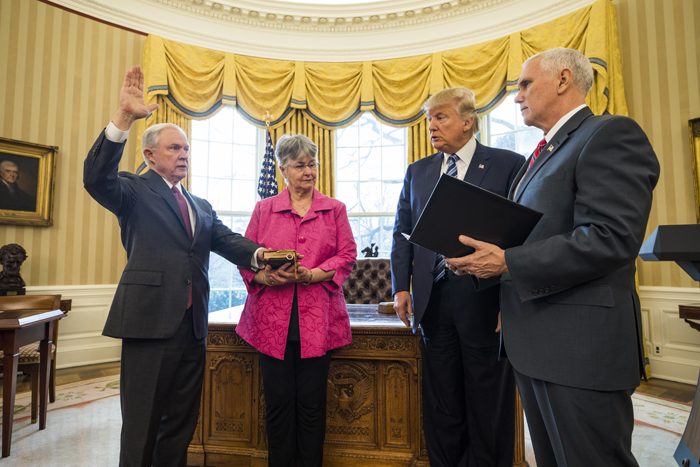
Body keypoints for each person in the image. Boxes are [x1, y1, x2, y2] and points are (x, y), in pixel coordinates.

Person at [445, 48, 660, 467]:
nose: (517, 96)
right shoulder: (540, 154)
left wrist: (508, 262)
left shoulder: (610, 134)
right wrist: (481, 259)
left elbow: (609, 237)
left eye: (525, 84)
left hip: (580, 349)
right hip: (534, 343)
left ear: (563, 80)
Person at [83, 65, 265, 467]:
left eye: (186, 150)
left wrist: (263, 256)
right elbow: (96, 177)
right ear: (149, 155)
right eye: (174, 148)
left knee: (180, 422)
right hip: (149, 322)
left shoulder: (200, 205)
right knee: (142, 422)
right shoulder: (132, 190)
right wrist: (123, 118)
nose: (183, 155)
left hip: (194, 324)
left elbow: (229, 242)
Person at [391, 87, 524, 467]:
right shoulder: (417, 172)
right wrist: (402, 285)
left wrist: (511, 300)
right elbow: (402, 232)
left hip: (486, 301)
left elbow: (519, 236)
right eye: (429, 118)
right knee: (442, 399)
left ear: (468, 122)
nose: (430, 125)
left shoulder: (507, 164)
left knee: (487, 402)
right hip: (433, 304)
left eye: (440, 117)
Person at [237, 134, 357, 467]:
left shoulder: (334, 210)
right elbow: (245, 255)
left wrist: (313, 274)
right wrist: (264, 277)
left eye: (312, 163)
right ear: (283, 170)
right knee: (277, 403)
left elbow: (347, 255)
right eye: (300, 165)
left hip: (318, 322)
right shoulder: (264, 209)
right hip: (270, 323)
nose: (308, 171)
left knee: (312, 404)